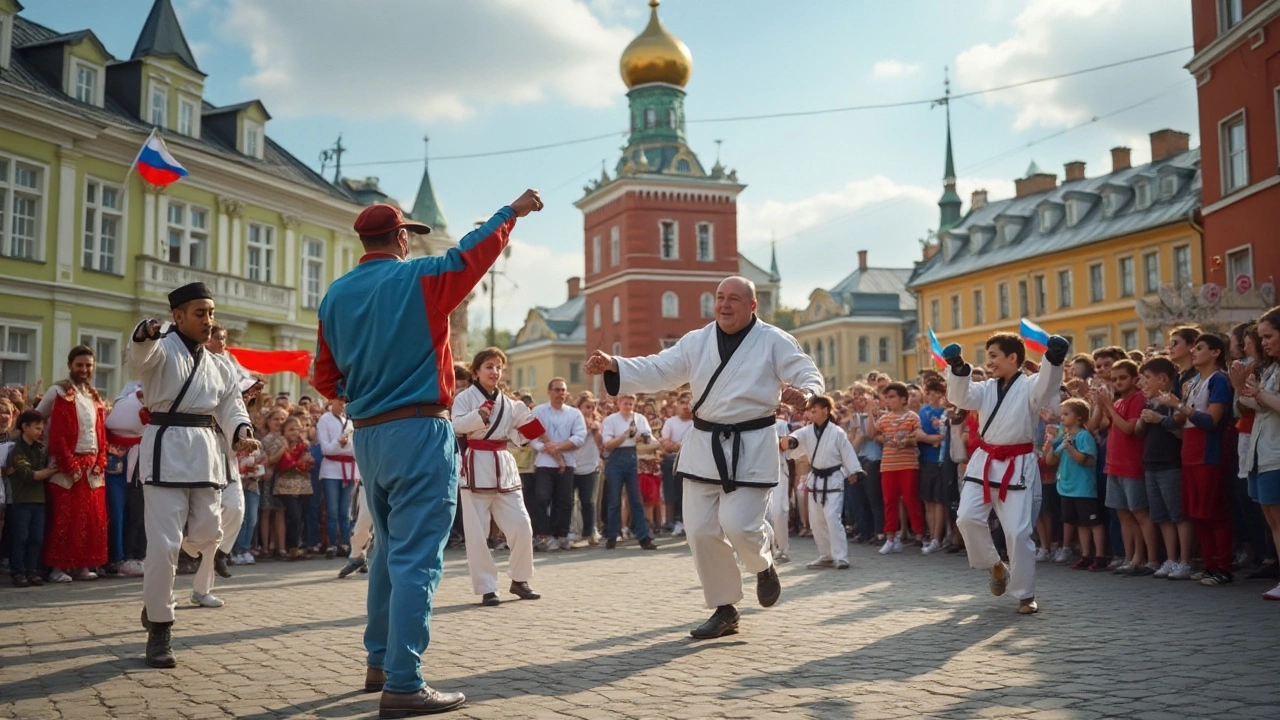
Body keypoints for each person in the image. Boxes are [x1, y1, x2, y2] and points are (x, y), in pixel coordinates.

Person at [313, 192, 542, 716]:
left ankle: (379, 661)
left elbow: (325, 377)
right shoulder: (417, 277)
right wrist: (510, 213)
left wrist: (366, 389)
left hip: (369, 435)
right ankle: (404, 682)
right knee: (418, 556)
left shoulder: (334, 295)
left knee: (389, 552)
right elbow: (471, 254)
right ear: (400, 238)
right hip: (418, 430)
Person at [586, 276, 821, 639]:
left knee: (740, 525)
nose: (725, 305)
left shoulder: (773, 340)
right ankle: (725, 608)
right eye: (719, 298)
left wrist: (806, 393)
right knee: (698, 530)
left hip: (752, 444)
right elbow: (659, 369)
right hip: (704, 446)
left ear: (752, 306)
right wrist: (616, 365)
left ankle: (763, 563)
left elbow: (807, 371)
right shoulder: (697, 341)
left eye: (734, 299)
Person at [131, 282, 258, 668]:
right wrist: (144, 332)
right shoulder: (160, 348)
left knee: (208, 533)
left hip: (205, 452)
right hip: (165, 447)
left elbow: (232, 405)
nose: (208, 320)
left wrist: (242, 432)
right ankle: (159, 625)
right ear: (178, 316)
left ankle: (159, 605)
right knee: (165, 545)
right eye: (200, 313)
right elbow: (139, 355)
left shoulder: (219, 364)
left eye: (211, 313)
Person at [943, 331, 1068, 615]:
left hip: (1017, 464)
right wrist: (958, 368)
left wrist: (1054, 357)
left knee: (1017, 531)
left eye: (994, 356)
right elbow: (960, 396)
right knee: (966, 518)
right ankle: (997, 566)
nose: (990, 363)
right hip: (984, 460)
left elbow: (1049, 384)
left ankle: (1025, 594)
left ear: (1014, 358)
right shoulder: (985, 388)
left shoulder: (1031, 386)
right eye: (988, 357)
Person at [451, 347, 544, 606]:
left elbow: (517, 439)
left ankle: (520, 579)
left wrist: (530, 425)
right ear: (476, 371)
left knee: (522, 525)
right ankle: (487, 587)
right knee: (477, 532)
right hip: (475, 465)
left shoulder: (512, 404)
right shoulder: (464, 398)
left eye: (498, 367)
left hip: (503, 465)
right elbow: (455, 425)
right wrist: (477, 416)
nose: (495, 371)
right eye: (489, 366)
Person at [36, 346, 109, 582]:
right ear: (70, 366)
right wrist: (65, 459)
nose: (84, 369)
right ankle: (58, 567)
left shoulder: (94, 396)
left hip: (92, 465)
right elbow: (40, 420)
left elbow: (100, 433)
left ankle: (81, 565)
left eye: (88, 365)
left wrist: (100, 460)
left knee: (90, 518)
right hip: (65, 463)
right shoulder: (57, 391)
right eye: (80, 365)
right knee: (64, 517)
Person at [1165, 334, 1234, 586]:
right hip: (1191, 454)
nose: (1194, 352)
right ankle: (1209, 564)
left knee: (1214, 512)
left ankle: (1223, 567)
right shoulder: (1193, 382)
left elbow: (1211, 421)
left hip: (1209, 453)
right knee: (1197, 513)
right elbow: (1183, 419)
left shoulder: (1219, 381)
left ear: (1216, 352)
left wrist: (1181, 408)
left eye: (1200, 348)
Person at [782, 395, 862, 569]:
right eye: (810, 411)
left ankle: (841, 556)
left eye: (814, 410)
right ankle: (826, 555)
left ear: (825, 410)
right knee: (817, 521)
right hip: (815, 479)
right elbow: (797, 438)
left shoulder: (837, 432)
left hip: (833, 479)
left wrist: (854, 470)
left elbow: (847, 452)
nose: (811, 414)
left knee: (833, 518)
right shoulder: (808, 431)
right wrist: (792, 441)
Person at [1097, 359, 1158, 576]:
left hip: (1131, 464)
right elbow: (1097, 425)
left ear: (1135, 378)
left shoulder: (1137, 398)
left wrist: (1109, 408)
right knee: (1123, 514)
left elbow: (1129, 428)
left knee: (1140, 513)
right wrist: (1101, 404)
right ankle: (1131, 557)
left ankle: (1149, 559)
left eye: (1123, 378)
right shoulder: (1118, 401)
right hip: (1113, 465)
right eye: (1114, 379)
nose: (1118, 382)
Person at [1235, 306, 1280, 600]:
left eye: (1269, 336)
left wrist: (1259, 394)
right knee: (1272, 521)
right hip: (1262, 453)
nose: (1263, 342)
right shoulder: (1271, 368)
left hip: (1276, 454)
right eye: (1261, 337)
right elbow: (1261, 406)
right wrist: (1242, 388)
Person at [1137, 357, 1192, 580]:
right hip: (1151, 465)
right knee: (1162, 517)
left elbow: (1182, 433)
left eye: (1147, 378)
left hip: (1171, 465)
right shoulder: (1150, 403)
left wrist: (1160, 419)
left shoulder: (1174, 404)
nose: (1143, 383)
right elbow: (1139, 432)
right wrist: (1143, 420)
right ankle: (1170, 559)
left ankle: (1185, 561)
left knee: (1178, 515)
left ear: (1163, 379)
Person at [530, 378, 587, 551]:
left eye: (563, 390)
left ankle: (561, 535)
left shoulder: (574, 413)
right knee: (541, 498)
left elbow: (580, 436)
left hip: (567, 462)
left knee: (564, 501)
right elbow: (531, 436)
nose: (560, 393)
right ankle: (544, 535)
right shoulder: (538, 411)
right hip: (544, 463)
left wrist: (559, 447)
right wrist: (545, 447)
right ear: (549, 392)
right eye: (556, 390)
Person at [868, 382, 923, 555]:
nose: (888, 401)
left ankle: (920, 536)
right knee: (889, 501)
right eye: (886, 398)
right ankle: (891, 538)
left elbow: (918, 438)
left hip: (908, 464)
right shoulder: (884, 419)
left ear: (903, 399)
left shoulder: (912, 417)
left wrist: (907, 441)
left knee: (910, 499)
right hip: (888, 466)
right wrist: (871, 414)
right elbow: (872, 434)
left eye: (892, 397)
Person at [601, 393, 658, 550]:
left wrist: (643, 438)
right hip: (615, 458)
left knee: (636, 499)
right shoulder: (611, 420)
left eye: (631, 404)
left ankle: (643, 536)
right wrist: (625, 435)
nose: (628, 407)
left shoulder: (639, 418)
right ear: (618, 403)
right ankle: (612, 536)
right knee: (614, 499)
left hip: (632, 456)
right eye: (625, 403)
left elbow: (651, 439)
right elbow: (607, 444)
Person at [104, 382, 149, 577]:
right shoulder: (130, 392)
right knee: (118, 513)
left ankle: (137, 555)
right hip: (118, 462)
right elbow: (115, 424)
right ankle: (120, 557)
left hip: (141, 464)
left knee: (141, 513)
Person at [7, 409, 53, 587]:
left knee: (36, 538)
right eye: (37, 428)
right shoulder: (16, 448)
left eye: (42, 429)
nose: (40, 432)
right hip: (22, 501)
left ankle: (32, 570)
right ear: (24, 427)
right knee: (21, 537)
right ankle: (18, 571)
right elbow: (27, 474)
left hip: (39, 501)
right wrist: (49, 471)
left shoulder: (40, 449)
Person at [317, 395, 359, 558]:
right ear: (331, 401)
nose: (342, 404)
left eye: (345, 401)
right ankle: (332, 544)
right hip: (331, 471)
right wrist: (339, 443)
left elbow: (354, 449)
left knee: (345, 511)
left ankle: (346, 543)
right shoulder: (325, 420)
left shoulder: (350, 421)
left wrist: (345, 446)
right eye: (339, 400)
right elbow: (326, 449)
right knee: (332, 510)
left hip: (349, 470)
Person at [917, 378, 949, 555]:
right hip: (926, 459)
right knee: (928, 500)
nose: (927, 396)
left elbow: (945, 436)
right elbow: (918, 432)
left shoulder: (946, 411)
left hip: (941, 460)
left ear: (938, 393)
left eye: (929, 392)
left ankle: (938, 537)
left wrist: (937, 438)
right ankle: (931, 536)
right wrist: (930, 439)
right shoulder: (924, 411)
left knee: (939, 501)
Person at [660, 392, 694, 537]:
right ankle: (677, 522)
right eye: (682, 403)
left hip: (693, 463)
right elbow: (666, 444)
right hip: (673, 462)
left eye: (688, 403)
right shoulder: (670, 422)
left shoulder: (697, 422)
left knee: (691, 495)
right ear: (677, 405)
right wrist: (683, 445)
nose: (685, 406)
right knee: (675, 494)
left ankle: (690, 524)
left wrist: (677, 445)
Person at [571, 393, 603, 546]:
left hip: (591, 464)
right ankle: (573, 531)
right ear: (579, 408)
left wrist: (595, 429)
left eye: (592, 407)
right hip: (573, 464)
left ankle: (590, 531)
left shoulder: (597, 423)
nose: (589, 410)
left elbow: (600, 443)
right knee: (570, 501)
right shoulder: (572, 420)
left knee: (589, 501)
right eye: (586, 407)